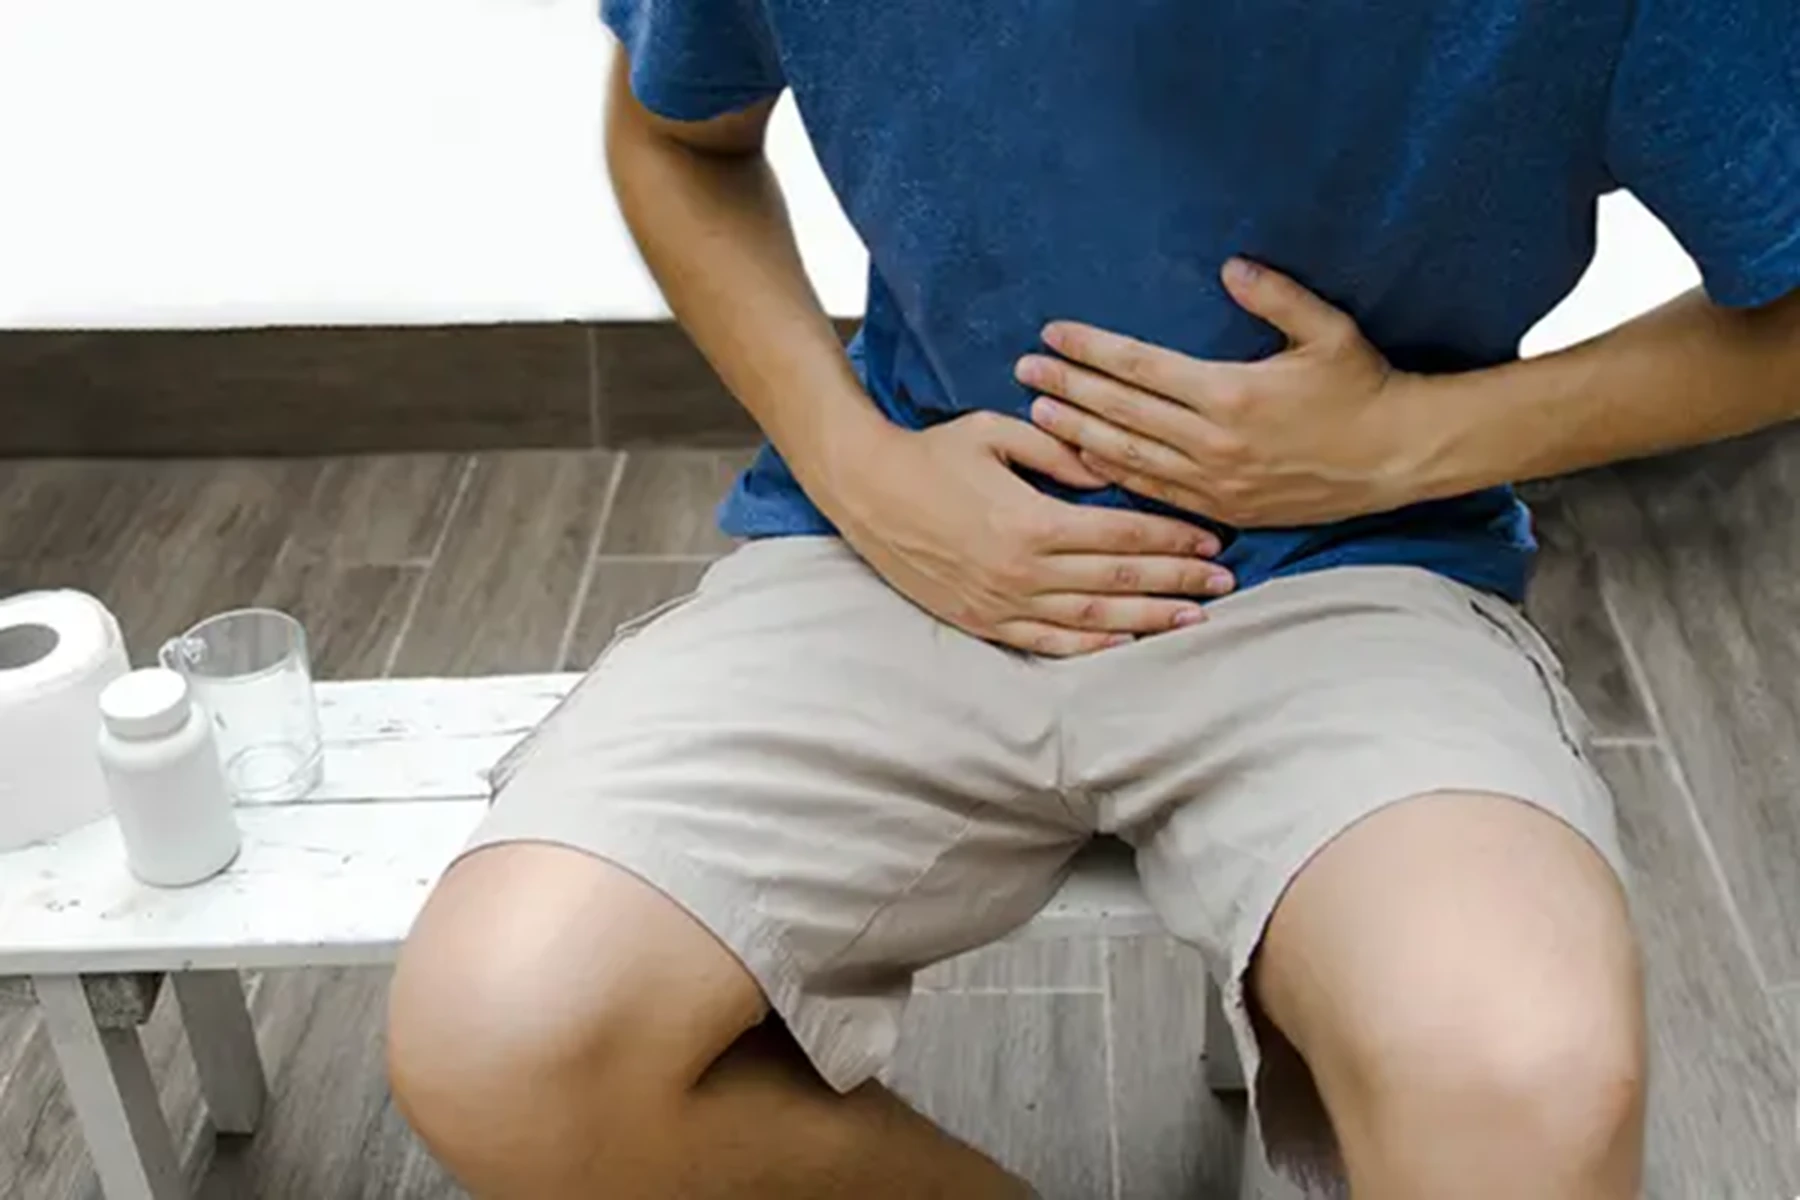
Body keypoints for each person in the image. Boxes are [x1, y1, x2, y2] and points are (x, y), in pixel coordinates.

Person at [386, 1, 1800, 1195]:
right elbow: (673, 135)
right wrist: (858, 467)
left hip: (1356, 580)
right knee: (503, 1037)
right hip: (894, 560)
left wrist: (1398, 443)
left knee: (1531, 1090)